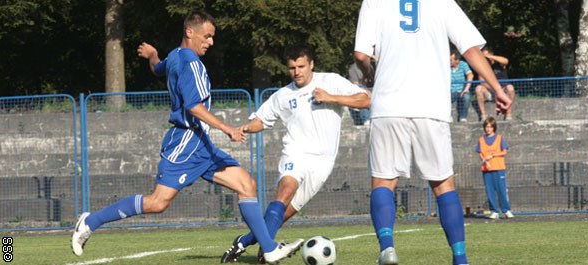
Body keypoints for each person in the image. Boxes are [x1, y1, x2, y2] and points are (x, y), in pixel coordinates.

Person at [70, 10, 303, 264]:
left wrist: (151, 54)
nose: (211, 42)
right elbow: (194, 106)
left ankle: (269, 249)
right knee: (158, 202)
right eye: (207, 36)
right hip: (185, 144)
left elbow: (158, 68)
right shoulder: (191, 63)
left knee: (246, 184)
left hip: (200, 145)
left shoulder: (175, 56)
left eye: (212, 37)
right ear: (189, 32)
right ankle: (90, 221)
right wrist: (228, 129)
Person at [353, 1, 513, 265]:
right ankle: (460, 259)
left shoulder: (374, 2)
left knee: (383, 181)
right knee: (443, 185)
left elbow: (360, 55)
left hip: (388, 104)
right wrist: (496, 88)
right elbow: (471, 49)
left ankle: (387, 248)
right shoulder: (442, 2)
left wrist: (371, 73)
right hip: (431, 106)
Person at [220, 45, 370, 263]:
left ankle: (243, 241)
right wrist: (245, 128)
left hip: (323, 162)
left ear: (311, 64)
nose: (297, 72)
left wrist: (331, 97)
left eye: (301, 66)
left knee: (283, 214)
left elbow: (365, 100)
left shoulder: (331, 81)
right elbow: (262, 120)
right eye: (292, 68)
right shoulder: (283, 96)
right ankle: (269, 250)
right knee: (286, 188)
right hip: (296, 153)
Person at [476, 117, 514, 220]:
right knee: (490, 191)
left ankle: (506, 210)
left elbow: (504, 151)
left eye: (490, 127)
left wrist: (493, 155)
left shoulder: (499, 138)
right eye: (486, 127)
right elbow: (480, 153)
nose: (488, 129)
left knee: (501, 190)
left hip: (499, 168)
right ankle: (494, 211)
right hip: (487, 170)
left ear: (493, 128)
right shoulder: (481, 140)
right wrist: (485, 161)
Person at [474, 47, 516, 122]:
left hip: (503, 90)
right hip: (490, 91)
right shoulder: (482, 68)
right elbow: (481, 81)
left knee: (510, 88)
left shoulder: (499, 65)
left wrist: (490, 56)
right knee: (478, 88)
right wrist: (495, 89)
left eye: (485, 57)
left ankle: (508, 113)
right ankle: (483, 115)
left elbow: (506, 61)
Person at [450, 50, 473, 122]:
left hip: (462, 90)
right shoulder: (446, 66)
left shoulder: (463, 64)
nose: (449, 61)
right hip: (451, 91)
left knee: (467, 97)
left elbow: (470, 74)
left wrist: (466, 88)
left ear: (457, 60)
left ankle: (463, 117)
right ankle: (448, 116)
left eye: (451, 60)